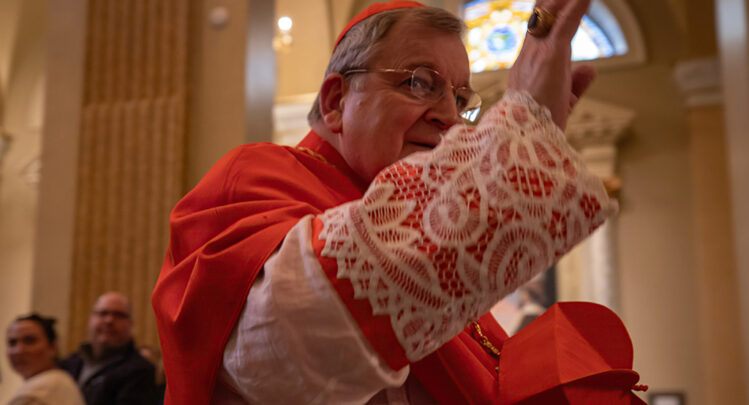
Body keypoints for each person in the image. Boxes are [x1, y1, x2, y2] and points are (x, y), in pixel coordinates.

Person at [153, 1, 646, 404]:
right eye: (419, 82)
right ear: (335, 101)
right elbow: (284, 348)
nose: (451, 119)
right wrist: (516, 142)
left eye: (461, 99)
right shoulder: (256, 176)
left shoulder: (416, 221)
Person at [60, 292, 158, 405]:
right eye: (103, 313)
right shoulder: (69, 363)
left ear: (130, 323)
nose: (109, 320)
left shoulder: (141, 371)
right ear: (90, 319)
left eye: (119, 315)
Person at [6, 313, 85, 405]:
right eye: (12, 343)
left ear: (53, 347)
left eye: (29, 341)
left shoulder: (38, 392)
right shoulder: (62, 381)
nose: (19, 351)